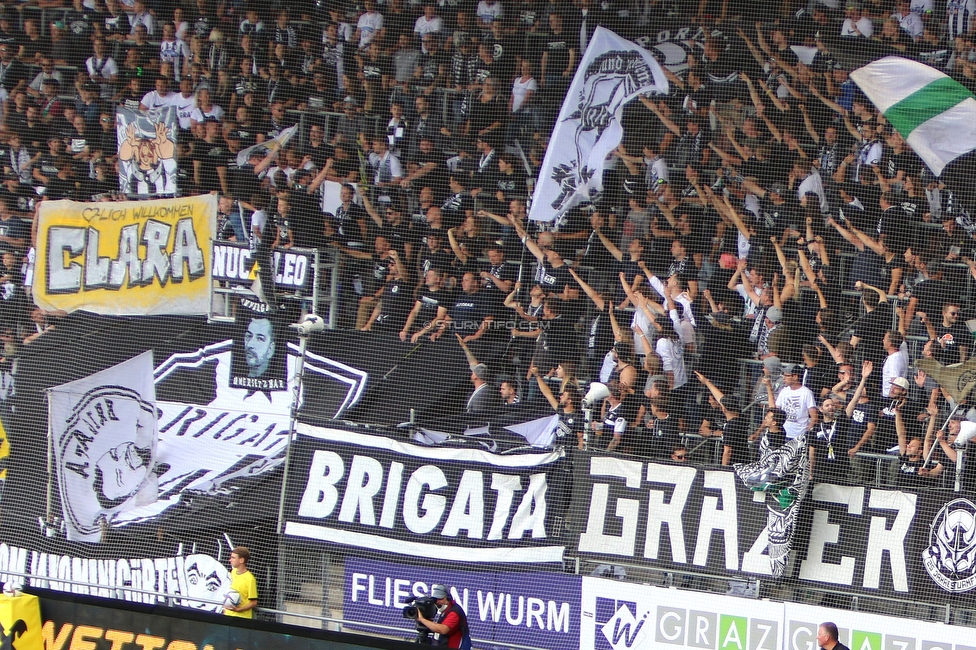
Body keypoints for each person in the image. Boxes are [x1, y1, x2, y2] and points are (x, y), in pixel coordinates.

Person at [416, 584, 470, 649]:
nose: (438, 602)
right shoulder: (445, 610)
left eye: (440, 599)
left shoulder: (454, 612)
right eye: (436, 599)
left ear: (448, 598)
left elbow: (443, 630)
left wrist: (422, 619)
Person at [224, 546, 258, 619]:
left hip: (241, 618)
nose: (230, 560)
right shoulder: (233, 572)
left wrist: (238, 610)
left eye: (233, 558)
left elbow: (253, 602)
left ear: (241, 560)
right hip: (228, 615)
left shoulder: (250, 579)